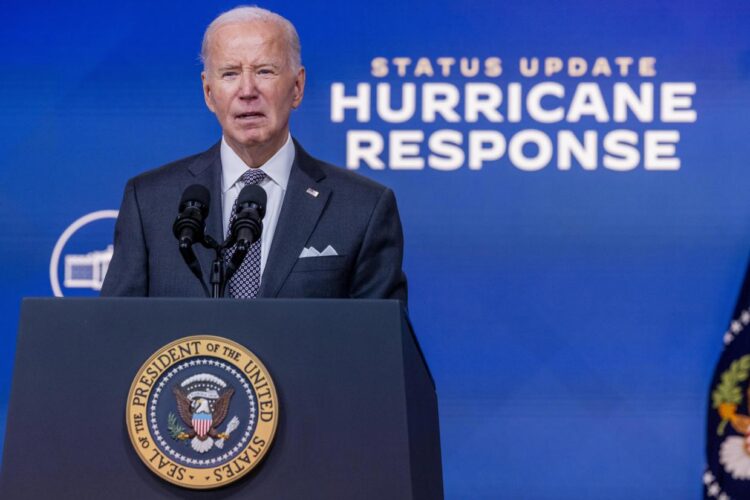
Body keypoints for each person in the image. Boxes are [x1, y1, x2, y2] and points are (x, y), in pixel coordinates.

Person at [100, 6, 407, 303]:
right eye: (230, 74)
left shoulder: (362, 208)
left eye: (264, 71)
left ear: (297, 87)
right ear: (208, 92)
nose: (247, 90)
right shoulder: (150, 201)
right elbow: (117, 335)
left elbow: (381, 346)